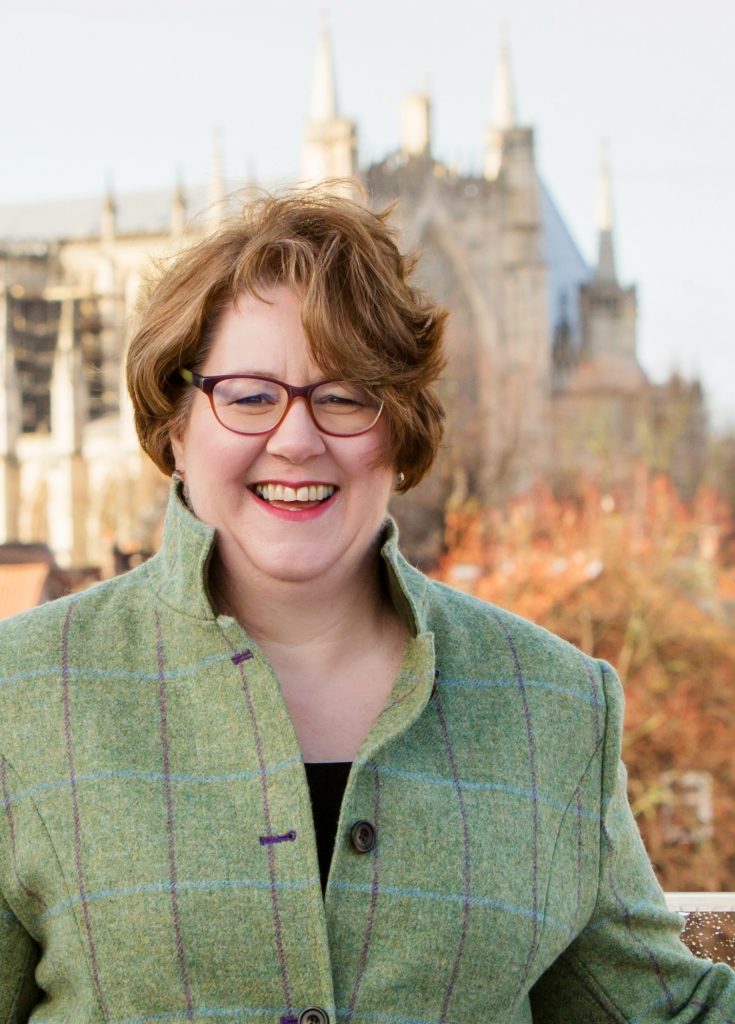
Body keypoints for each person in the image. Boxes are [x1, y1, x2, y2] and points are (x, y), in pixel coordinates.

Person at [0, 188, 733, 1024]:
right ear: (176, 423)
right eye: (247, 395)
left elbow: (660, 1012)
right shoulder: (21, 697)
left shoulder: (555, 704)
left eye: (345, 394)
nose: (297, 438)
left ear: (403, 429)